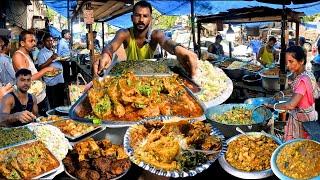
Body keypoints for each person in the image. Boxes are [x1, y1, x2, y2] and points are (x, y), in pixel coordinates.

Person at [93, 0, 198, 77]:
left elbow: (165, 41)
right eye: (137, 15)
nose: (141, 20)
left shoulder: (155, 35)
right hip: (131, 76)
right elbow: (111, 46)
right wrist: (106, 54)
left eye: (145, 16)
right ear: (132, 17)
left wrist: (178, 49)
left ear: (150, 19)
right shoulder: (124, 34)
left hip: (151, 76)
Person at [265, 46, 319, 141]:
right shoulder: (306, 74)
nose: (288, 66)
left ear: (301, 61)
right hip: (307, 115)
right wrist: (282, 93)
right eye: (287, 62)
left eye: (291, 61)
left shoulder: (303, 80)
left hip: (303, 120)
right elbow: (294, 88)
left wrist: (272, 106)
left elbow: (290, 105)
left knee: (298, 146)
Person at [12, 30, 54, 116]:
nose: (34, 43)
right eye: (31, 41)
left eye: (35, 41)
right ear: (22, 43)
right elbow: (25, 78)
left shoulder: (27, 54)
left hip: (39, 97)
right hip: (32, 100)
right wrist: (45, 70)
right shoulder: (18, 56)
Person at [38, 34, 65, 108]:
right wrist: (51, 59)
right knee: (54, 104)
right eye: (48, 41)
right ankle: (55, 118)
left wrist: (62, 59)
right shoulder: (41, 53)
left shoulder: (53, 50)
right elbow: (40, 67)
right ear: (44, 42)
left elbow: (57, 60)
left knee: (61, 102)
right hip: (51, 82)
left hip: (59, 79)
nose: (50, 42)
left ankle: (62, 118)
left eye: (52, 41)